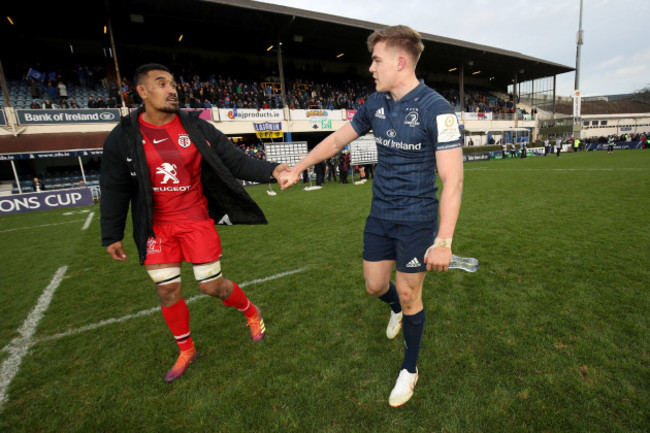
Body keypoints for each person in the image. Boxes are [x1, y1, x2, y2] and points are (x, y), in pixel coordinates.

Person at [279, 25, 463, 407]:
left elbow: (453, 179)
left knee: (412, 294)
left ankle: (410, 369)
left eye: (376, 60)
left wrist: (443, 241)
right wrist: (299, 167)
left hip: (417, 220)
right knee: (375, 287)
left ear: (400, 61)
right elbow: (335, 140)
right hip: (380, 216)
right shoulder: (374, 104)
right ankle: (393, 307)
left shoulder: (437, 109)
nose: (371, 68)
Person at [100, 63, 288, 383]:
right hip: (157, 227)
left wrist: (273, 170)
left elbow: (234, 159)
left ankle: (251, 311)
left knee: (210, 285)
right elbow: (115, 185)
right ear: (142, 91)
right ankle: (186, 350)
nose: (172, 89)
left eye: (173, 83)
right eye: (162, 83)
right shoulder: (124, 135)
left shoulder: (194, 126)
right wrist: (111, 233)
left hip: (195, 219)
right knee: (168, 292)